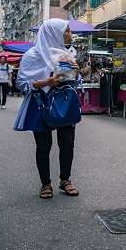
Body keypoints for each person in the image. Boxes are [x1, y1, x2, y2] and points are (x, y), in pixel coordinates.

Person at [14, 19, 80, 199]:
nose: (70, 34)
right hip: (39, 103)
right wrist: (47, 82)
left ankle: (65, 180)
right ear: (54, 33)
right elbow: (21, 84)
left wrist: (77, 72)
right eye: (66, 31)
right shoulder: (32, 55)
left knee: (67, 144)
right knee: (43, 146)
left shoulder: (68, 54)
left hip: (64, 103)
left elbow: (74, 81)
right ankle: (45, 183)